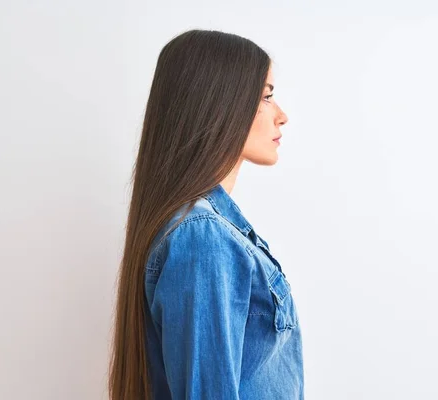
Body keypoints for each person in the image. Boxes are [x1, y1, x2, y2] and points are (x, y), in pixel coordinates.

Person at [108, 29, 304, 399]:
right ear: (221, 102)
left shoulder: (206, 230)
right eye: (266, 97)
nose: (282, 116)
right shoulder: (203, 237)